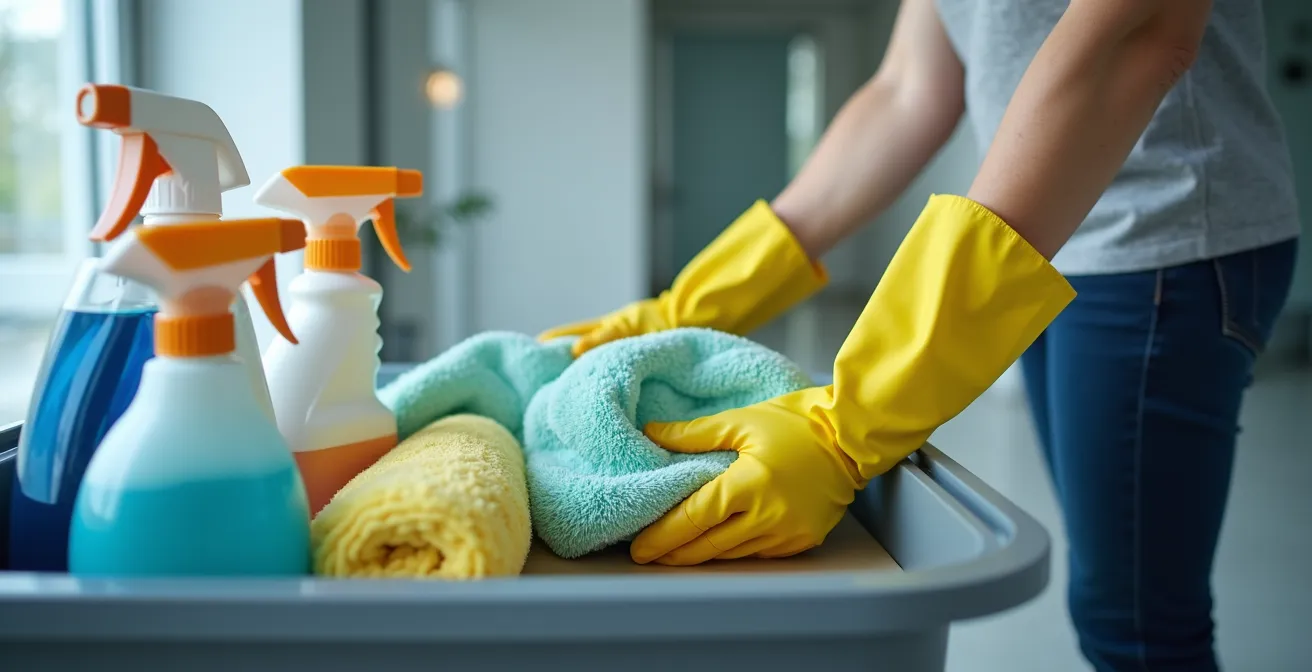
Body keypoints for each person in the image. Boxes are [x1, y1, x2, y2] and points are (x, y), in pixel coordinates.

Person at [542, 0, 1300, 669]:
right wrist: (696, 302)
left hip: (1158, 238)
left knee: (1132, 625)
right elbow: (908, 90)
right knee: (1116, 597)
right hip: (1047, 237)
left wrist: (851, 427)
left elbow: (1141, 32)